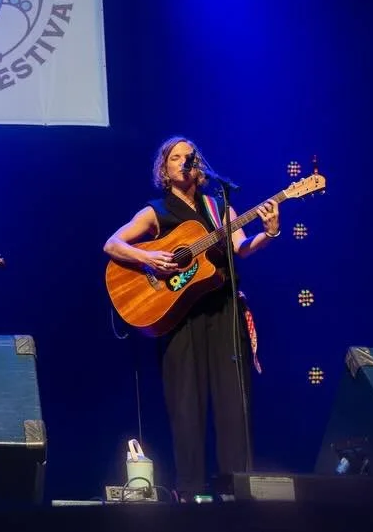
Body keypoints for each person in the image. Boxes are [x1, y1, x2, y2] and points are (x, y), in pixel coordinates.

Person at [102, 136, 280, 498]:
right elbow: (112, 244)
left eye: (190, 157)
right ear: (164, 170)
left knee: (234, 403)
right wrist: (149, 258)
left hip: (224, 311)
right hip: (180, 317)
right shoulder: (155, 211)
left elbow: (241, 249)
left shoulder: (220, 209)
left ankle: (237, 490)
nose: (184, 161)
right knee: (186, 405)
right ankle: (190, 492)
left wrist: (270, 232)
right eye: (175, 157)